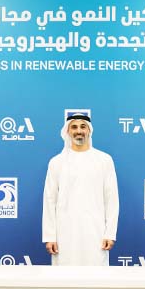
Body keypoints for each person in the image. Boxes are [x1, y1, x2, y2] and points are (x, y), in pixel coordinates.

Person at [42, 110, 119, 266]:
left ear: (89, 130)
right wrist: (50, 236)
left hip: (96, 233)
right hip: (65, 234)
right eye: (74, 127)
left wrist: (110, 233)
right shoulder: (56, 162)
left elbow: (111, 199)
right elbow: (50, 201)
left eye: (83, 127)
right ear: (67, 131)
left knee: (96, 280)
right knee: (64, 281)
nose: (79, 131)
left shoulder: (104, 160)